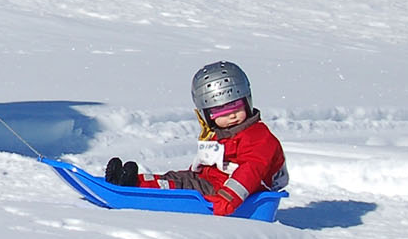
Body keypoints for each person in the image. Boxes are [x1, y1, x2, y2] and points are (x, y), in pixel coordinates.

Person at [104, 61, 287, 214]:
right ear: (206, 115)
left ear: (247, 101)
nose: (231, 116)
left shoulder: (259, 137)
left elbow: (251, 170)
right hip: (213, 183)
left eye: (236, 107)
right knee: (174, 178)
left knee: (183, 186)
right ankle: (132, 182)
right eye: (220, 111)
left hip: (234, 194)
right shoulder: (220, 134)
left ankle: (136, 192)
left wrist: (227, 200)